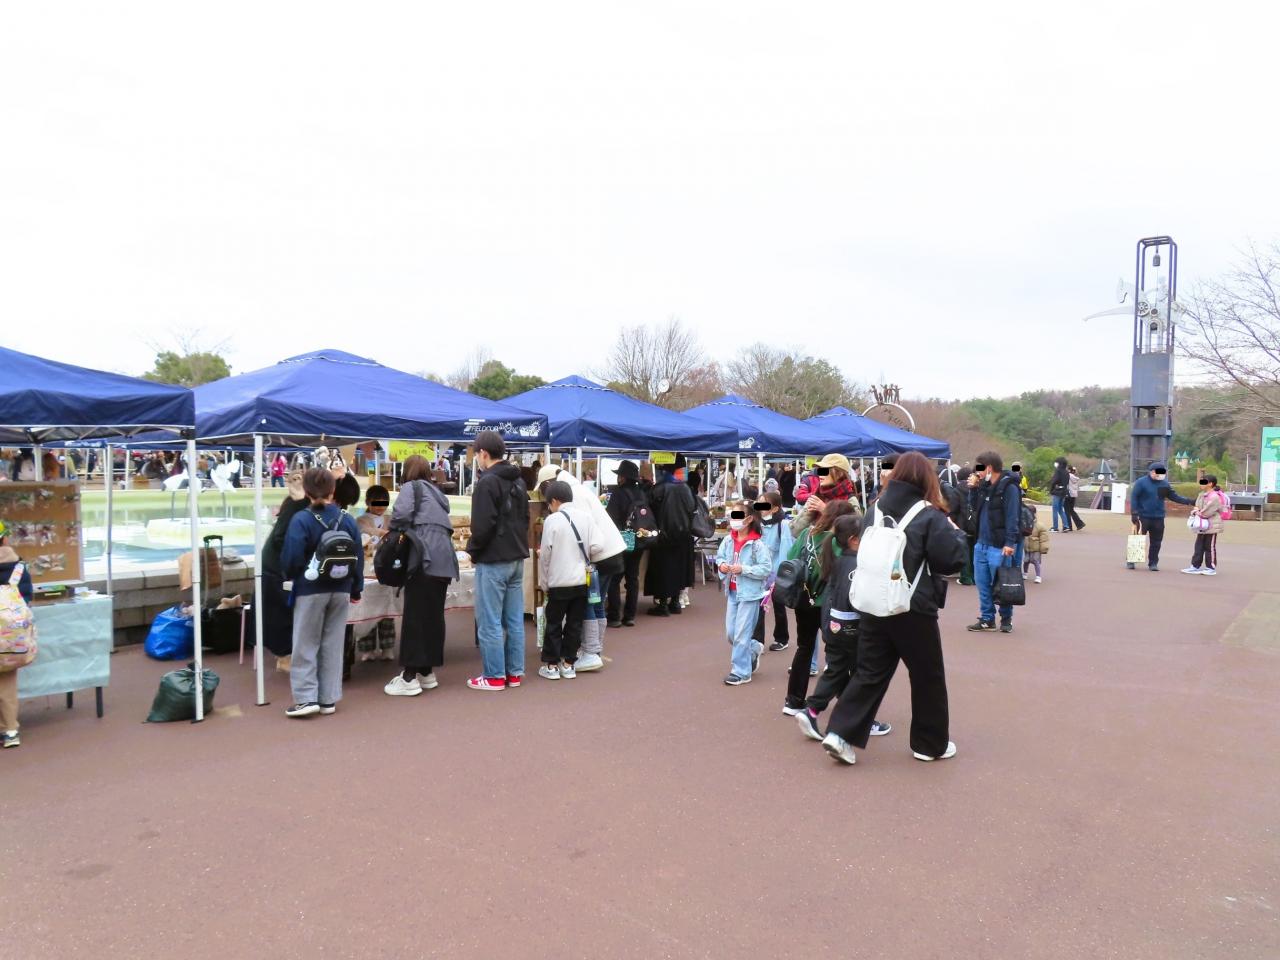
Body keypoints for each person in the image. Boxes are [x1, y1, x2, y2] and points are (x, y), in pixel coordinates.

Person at [819, 452, 967, 765]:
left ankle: (839, 733)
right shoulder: (929, 515)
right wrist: (956, 533)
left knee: (869, 672)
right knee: (927, 676)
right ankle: (929, 744)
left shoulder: (875, 509)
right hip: (912, 607)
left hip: (873, 603)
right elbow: (950, 561)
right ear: (926, 478)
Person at [795, 514, 892, 742]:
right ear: (853, 540)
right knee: (864, 675)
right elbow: (859, 599)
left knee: (836, 671)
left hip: (835, 626)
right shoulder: (858, 565)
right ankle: (859, 721)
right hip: (855, 628)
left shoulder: (837, 562)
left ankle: (812, 710)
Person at [279, 468, 364, 718]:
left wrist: (293, 575)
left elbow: (292, 557)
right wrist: (356, 588)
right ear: (332, 490)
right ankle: (328, 698)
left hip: (310, 588)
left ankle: (306, 698)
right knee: (333, 644)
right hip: (341, 588)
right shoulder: (347, 519)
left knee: (305, 643)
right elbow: (358, 557)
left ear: (306, 491)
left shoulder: (301, 519)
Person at [536, 464, 625, 673]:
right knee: (595, 602)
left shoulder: (572, 498)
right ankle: (592, 651)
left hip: (597, 558)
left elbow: (578, 536)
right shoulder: (578, 489)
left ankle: (590, 652)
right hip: (612, 552)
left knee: (586, 607)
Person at [383, 458, 459, 696]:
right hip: (444, 559)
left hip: (422, 557)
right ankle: (426, 672)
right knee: (433, 616)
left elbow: (400, 516)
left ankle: (409, 677)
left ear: (407, 472)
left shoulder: (411, 487)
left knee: (415, 616)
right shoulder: (437, 494)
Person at [465, 431, 530, 691]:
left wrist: (472, 550)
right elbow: (525, 519)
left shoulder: (487, 482)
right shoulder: (519, 481)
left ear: (483, 453)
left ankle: (493, 676)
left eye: (476, 455)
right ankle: (514, 673)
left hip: (493, 559)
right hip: (516, 556)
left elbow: (482, 526)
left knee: (489, 620)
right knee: (514, 620)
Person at [781, 498, 857, 716]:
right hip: (829, 604)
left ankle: (793, 700)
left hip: (804, 598)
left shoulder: (807, 534)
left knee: (804, 648)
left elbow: (791, 558)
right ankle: (847, 706)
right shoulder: (837, 542)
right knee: (839, 655)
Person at [536, 481, 596, 680]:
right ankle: (569, 664)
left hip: (558, 581)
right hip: (581, 580)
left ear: (554, 501)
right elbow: (597, 545)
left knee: (553, 623)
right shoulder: (586, 518)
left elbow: (545, 555)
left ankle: (552, 666)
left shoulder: (552, 520)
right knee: (574, 624)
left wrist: (544, 582)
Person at [716, 501, 772, 685]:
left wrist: (744, 569)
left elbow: (766, 568)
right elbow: (720, 557)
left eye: (738, 516)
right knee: (731, 633)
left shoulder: (757, 545)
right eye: (732, 515)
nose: (733, 520)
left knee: (741, 634)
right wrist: (722, 566)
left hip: (750, 594)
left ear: (748, 519)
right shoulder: (728, 540)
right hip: (733, 593)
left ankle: (741, 671)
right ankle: (753, 647)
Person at [966, 451, 1021, 634]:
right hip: (981, 543)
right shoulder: (984, 486)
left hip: (999, 545)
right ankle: (987, 618)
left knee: (1002, 584)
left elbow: (1013, 516)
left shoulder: (1009, 487)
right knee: (982, 584)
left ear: (989, 468)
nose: (977, 472)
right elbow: (974, 507)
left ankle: (1006, 618)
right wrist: (973, 489)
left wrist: (1010, 542)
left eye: (980, 468)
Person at [262, 470, 309, 669]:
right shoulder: (296, 504)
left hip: (278, 563)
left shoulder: (299, 503)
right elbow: (281, 536)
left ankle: (286, 653)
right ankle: (284, 656)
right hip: (277, 565)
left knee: (285, 610)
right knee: (282, 611)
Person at [645, 456, 696, 617]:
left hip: (663, 536)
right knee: (679, 570)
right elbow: (692, 509)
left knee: (662, 570)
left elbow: (650, 509)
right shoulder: (685, 488)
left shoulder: (659, 488)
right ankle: (675, 602)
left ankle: (662, 604)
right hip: (684, 536)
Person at [0, 520, 35, 748]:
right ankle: (10, 730)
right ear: (4, 538)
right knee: (6, 685)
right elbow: (26, 600)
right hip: (9, 639)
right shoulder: (19, 568)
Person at [605, 460, 650, 627]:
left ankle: (614, 615)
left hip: (622, 539)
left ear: (622, 477)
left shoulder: (617, 494)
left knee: (614, 578)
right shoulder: (642, 493)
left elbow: (610, 518)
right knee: (632, 578)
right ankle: (630, 615)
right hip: (639, 538)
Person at [356, 485, 397, 664]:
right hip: (366, 567)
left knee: (387, 607)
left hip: (386, 567)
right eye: (376, 503)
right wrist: (384, 534)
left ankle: (387, 647)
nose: (380, 507)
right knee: (367, 607)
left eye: (383, 503)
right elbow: (365, 533)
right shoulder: (361, 520)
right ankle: (367, 649)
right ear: (368, 502)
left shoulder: (391, 519)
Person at [1128, 461, 1193, 573]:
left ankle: (1153, 563)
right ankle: (1132, 561)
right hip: (1143, 516)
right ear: (1152, 472)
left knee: (1156, 542)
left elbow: (1173, 496)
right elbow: (1134, 497)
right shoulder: (1141, 482)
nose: (1162, 474)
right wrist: (1134, 513)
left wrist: (1189, 501)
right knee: (1137, 539)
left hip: (1158, 517)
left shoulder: (1164, 484)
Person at [753, 492, 794, 652]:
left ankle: (781, 638)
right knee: (758, 607)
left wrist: (780, 576)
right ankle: (758, 642)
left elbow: (785, 551)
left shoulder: (783, 525)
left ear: (775, 508)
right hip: (759, 572)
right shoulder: (756, 522)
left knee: (779, 606)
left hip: (776, 574)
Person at [1183, 475, 1225, 576]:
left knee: (1209, 547)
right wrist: (1196, 511)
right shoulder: (1201, 494)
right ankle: (1195, 566)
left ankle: (1211, 567)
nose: (1201, 484)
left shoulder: (1214, 497)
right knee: (1198, 546)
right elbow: (1197, 507)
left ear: (1210, 484)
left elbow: (1206, 513)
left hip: (1212, 525)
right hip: (1202, 525)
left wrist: (1197, 512)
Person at [942, 466, 976, 586]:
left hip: (962, 525)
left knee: (964, 551)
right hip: (975, 525)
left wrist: (951, 523)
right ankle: (975, 577)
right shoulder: (976, 488)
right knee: (974, 552)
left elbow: (953, 510)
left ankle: (966, 578)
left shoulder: (957, 490)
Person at [1022, 507, 1050, 584]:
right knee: (1026, 561)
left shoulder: (1039, 526)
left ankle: (1038, 576)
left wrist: (1043, 548)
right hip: (1027, 547)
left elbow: (1044, 538)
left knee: (1035, 561)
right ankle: (1025, 573)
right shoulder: (1024, 523)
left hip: (1036, 548)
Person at [1049, 458, 1071, 532]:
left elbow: (1054, 481)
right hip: (1064, 492)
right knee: (1061, 509)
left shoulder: (1058, 471)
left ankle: (1055, 527)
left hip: (1057, 491)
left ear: (1059, 463)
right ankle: (1066, 526)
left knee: (1055, 510)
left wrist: (1051, 490)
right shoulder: (1066, 472)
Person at [1065, 466, 1086, 531]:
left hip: (1068, 495)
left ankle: (1069, 526)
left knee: (1067, 511)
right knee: (1071, 510)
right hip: (1074, 495)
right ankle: (1079, 524)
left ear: (1069, 470)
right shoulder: (1075, 478)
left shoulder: (1068, 476)